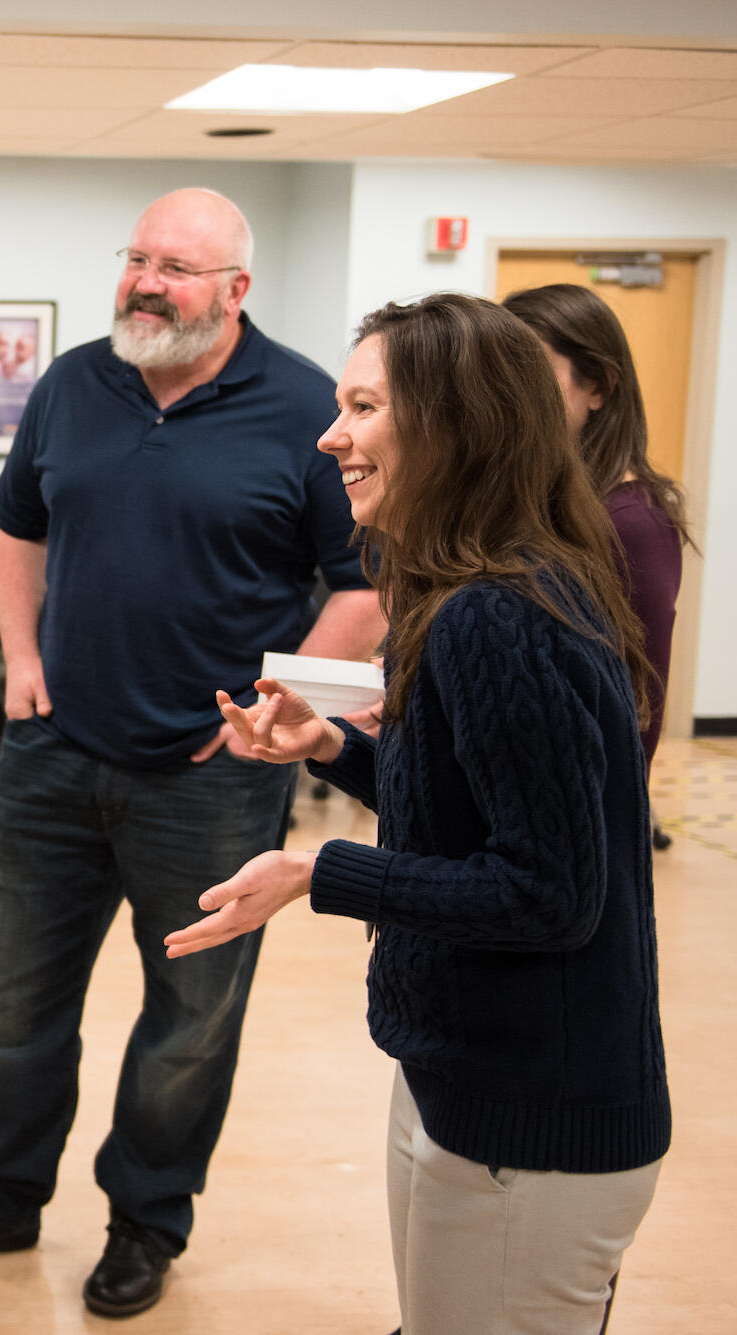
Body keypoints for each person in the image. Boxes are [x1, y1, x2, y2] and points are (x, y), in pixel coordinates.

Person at [0, 188, 386, 1318]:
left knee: (187, 1023)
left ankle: (143, 1223)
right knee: (9, 1005)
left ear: (234, 292)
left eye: (177, 268)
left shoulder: (303, 407)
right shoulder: (71, 383)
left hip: (208, 783)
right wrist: (18, 652)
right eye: (137, 258)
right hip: (55, 758)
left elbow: (362, 588)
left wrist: (275, 708)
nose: (146, 282)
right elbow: (14, 525)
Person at [167, 292, 668, 1335]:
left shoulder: (495, 612)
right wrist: (334, 748)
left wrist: (316, 874)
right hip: (471, 1071)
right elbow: (477, 810)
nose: (328, 433)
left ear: (451, 425)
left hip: (534, 1108)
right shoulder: (480, 587)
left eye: (359, 406)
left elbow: (546, 893)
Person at [504, 283, 689, 766]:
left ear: (600, 387)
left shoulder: (632, 523)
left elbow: (638, 707)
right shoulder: (547, 500)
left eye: (533, 374)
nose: (510, 394)